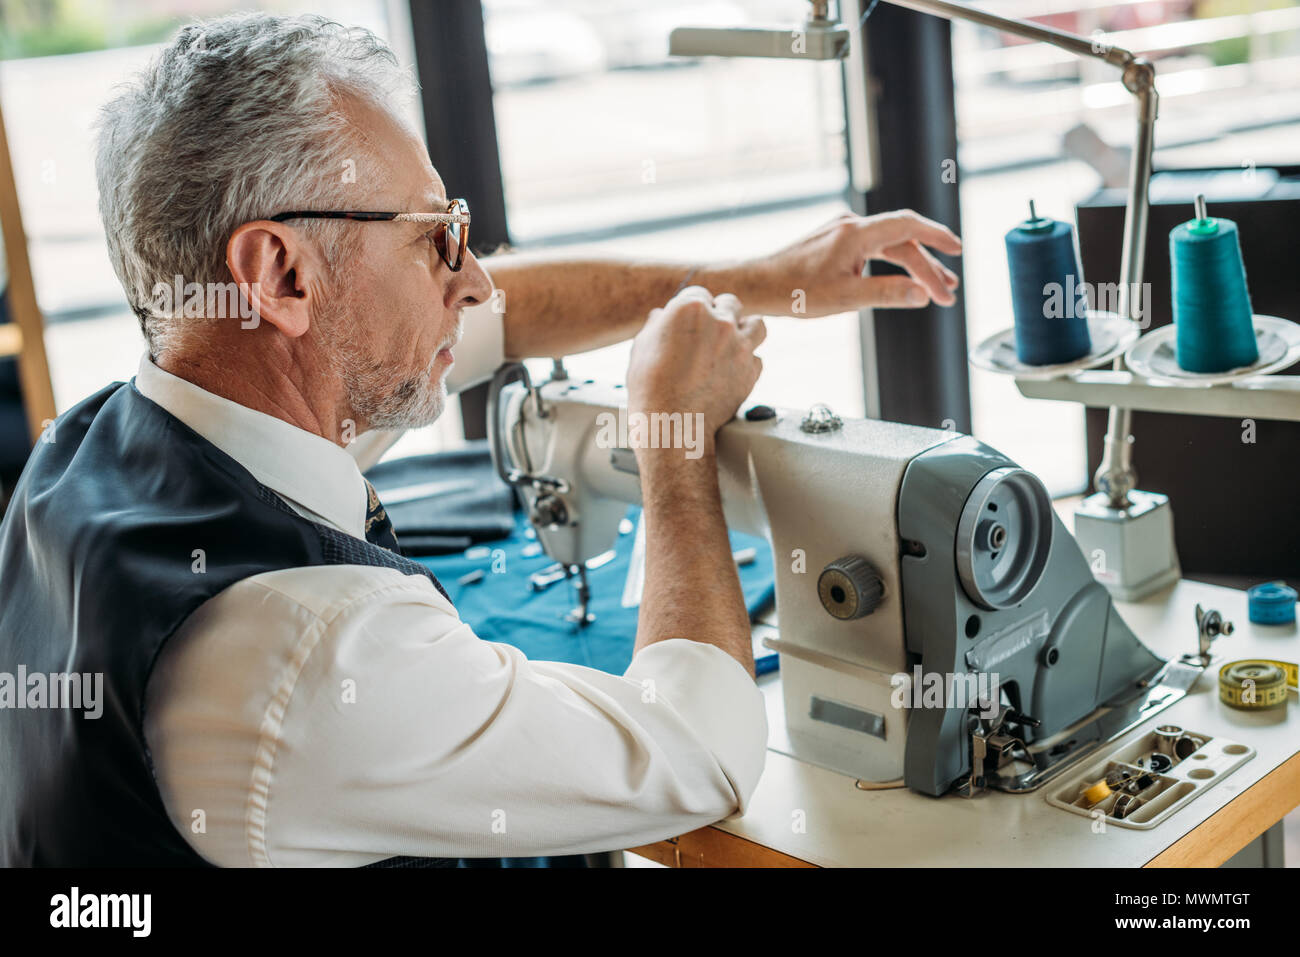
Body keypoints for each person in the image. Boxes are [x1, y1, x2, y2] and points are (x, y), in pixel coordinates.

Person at [0, 13, 961, 866]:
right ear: (282, 275)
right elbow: (701, 751)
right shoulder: (305, 655)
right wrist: (673, 438)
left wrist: (760, 275)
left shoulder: (105, 440)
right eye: (436, 238)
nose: (476, 282)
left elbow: (505, 318)